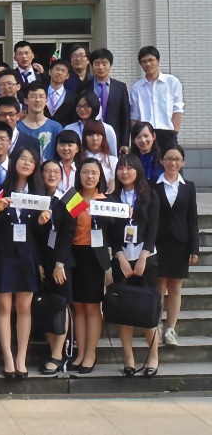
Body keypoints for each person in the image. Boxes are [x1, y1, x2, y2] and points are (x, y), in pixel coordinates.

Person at [0, 147, 43, 379]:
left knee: (24, 307)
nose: (26, 163)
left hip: (28, 255)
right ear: (14, 162)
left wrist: (42, 221)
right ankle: (8, 358)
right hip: (4, 255)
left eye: (31, 160)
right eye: (22, 158)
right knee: (3, 307)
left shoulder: (39, 193)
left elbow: (46, 234)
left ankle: (21, 357)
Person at [107, 154, 161, 377]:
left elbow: (153, 229)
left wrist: (142, 258)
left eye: (129, 168)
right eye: (121, 168)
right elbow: (110, 233)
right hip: (122, 258)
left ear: (138, 171)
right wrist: (120, 258)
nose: (125, 172)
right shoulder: (112, 198)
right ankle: (128, 358)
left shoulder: (150, 195)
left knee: (148, 308)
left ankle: (153, 356)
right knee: (124, 310)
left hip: (146, 257)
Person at [155, 145, 199, 348]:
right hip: (157, 242)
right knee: (158, 286)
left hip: (180, 243)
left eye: (177, 159)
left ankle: (170, 328)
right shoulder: (153, 185)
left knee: (175, 287)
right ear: (162, 161)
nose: (173, 162)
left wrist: (194, 248)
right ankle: (154, 325)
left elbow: (192, 219)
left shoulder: (188, 186)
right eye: (169, 158)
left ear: (182, 163)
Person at [35, 159, 76, 375]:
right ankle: (51, 350)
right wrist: (40, 263)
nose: (51, 175)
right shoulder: (36, 199)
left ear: (61, 175)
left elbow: (69, 233)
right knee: (47, 306)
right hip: (43, 261)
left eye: (55, 172)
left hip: (62, 262)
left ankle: (59, 355)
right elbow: (34, 236)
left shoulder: (70, 197)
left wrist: (60, 262)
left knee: (61, 305)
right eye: (47, 171)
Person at [68, 158, 109, 373]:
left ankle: (91, 354)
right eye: (85, 172)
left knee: (92, 307)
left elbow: (113, 231)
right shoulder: (73, 199)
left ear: (100, 176)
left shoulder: (106, 201)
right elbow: (64, 231)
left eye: (94, 172)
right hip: (75, 256)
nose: (89, 176)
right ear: (79, 175)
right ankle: (80, 351)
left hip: (95, 258)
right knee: (77, 307)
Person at [130, 46, 184, 155]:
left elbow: (177, 110)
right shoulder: (137, 87)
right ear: (141, 65)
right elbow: (134, 117)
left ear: (158, 61)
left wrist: (174, 132)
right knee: (145, 169)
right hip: (144, 136)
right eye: (144, 61)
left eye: (151, 60)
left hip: (167, 134)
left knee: (171, 166)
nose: (148, 64)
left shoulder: (172, 82)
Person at [89, 48, 130, 149]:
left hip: (114, 136)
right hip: (90, 136)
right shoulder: (85, 86)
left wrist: (125, 143)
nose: (101, 67)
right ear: (92, 65)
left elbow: (125, 116)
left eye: (104, 63)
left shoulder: (120, 87)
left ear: (110, 65)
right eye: (97, 63)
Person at [17, 82, 64, 161]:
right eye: (33, 96)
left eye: (41, 97)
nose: (38, 100)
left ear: (46, 100)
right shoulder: (18, 128)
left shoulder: (56, 128)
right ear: (25, 101)